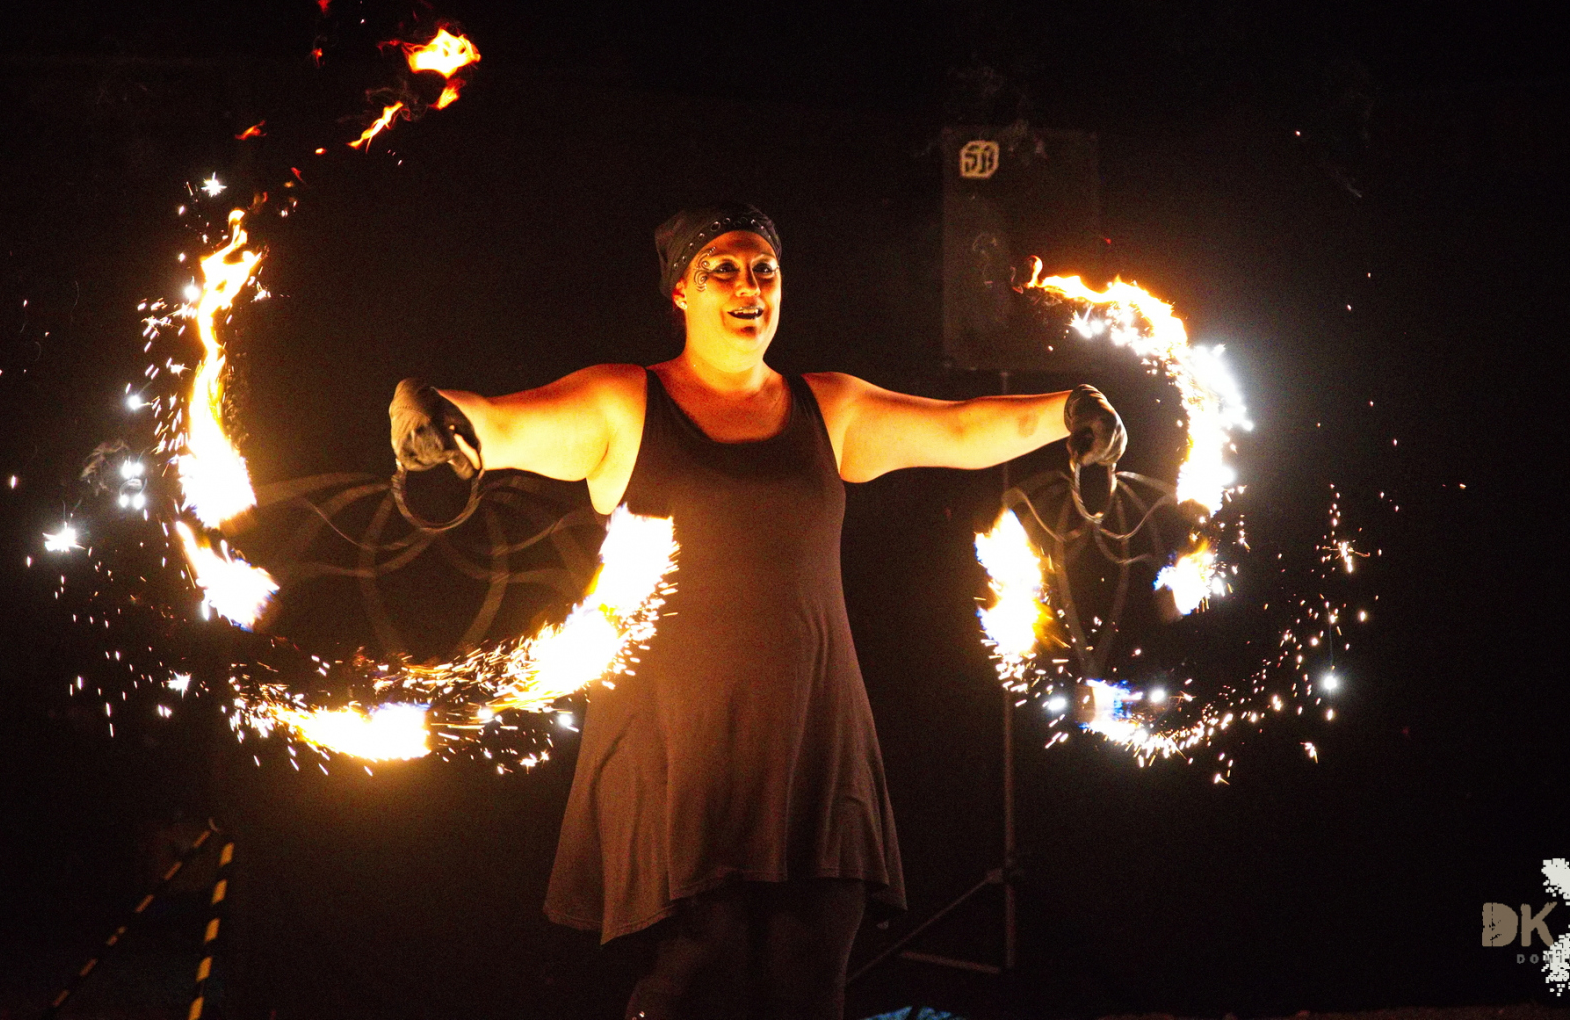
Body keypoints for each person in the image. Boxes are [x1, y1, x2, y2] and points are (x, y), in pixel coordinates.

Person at [389, 203, 1124, 1019]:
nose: (749, 288)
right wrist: (432, 412)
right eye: (723, 271)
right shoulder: (623, 403)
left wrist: (1070, 411)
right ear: (680, 291)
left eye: (764, 271)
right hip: (679, 748)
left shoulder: (828, 408)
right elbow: (495, 424)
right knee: (697, 974)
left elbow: (957, 428)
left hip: (816, 741)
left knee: (810, 979)